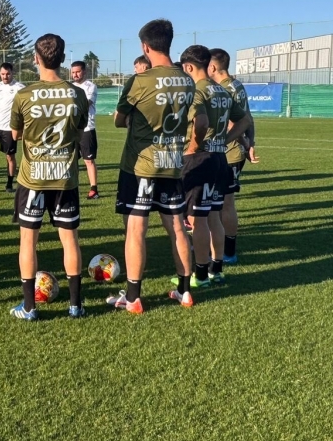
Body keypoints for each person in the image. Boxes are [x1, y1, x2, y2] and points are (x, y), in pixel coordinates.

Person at [108, 19, 196, 313]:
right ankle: (185, 291)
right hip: (172, 163)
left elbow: (120, 120)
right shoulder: (187, 80)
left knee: (136, 230)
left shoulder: (139, 81)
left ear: (145, 47)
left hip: (141, 166)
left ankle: (133, 298)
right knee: (177, 228)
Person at [10, 35, 89, 320]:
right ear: (63, 58)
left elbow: (16, 134)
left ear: (36, 58)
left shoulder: (24, 95)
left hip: (33, 178)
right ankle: (75, 306)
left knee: (28, 241)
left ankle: (29, 308)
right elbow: (80, 130)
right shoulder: (77, 93)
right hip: (65, 177)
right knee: (70, 240)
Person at [175, 45, 242, 289]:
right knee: (214, 215)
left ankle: (201, 275)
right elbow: (244, 119)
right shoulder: (222, 90)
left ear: (188, 67)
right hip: (220, 158)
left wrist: (193, 147)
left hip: (201, 159)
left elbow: (201, 122)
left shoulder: (197, 90)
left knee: (197, 219)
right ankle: (217, 270)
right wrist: (224, 140)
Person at [207, 49, 258, 265]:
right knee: (221, 202)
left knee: (224, 203)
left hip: (228, 152)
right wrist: (251, 143)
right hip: (235, 151)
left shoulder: (223, 89)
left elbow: (231, 122)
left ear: (212, 67)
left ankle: (227, 252)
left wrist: (242, 143)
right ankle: (217, 247)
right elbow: (248, 117)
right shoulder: (237, 84)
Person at [0, 62, 25, 191]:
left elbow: (26, 106)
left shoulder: (20, 88)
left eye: (8, 74)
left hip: (9, 128)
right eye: (2, 74)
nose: (5, 76)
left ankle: (9, 183)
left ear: (13, 73)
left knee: (9, 157)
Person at [69, 60, 99, 199]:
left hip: (87, 128)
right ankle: (71, 187)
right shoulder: (69, 87)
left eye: (78, 72)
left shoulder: (90, 86)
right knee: (71, 160)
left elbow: (86, 104)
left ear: (84, 72)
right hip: (72, 129)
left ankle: (94, 189)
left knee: (88, 160)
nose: (75, 75)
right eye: (73, 72)